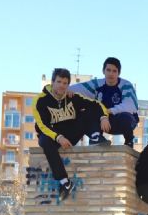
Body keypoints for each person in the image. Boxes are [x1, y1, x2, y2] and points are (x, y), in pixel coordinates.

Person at [33, 68, 110, 200]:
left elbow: (96, 104)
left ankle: (95, 136)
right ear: (52, 82)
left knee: (87, 112)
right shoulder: (41, 100)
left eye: (65, 83)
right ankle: (65, 182)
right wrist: (58, 137)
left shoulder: (72, 97)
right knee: (44, 140)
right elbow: (42, 125)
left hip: (71, 133)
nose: (62, 85)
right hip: (53, 135)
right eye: (59, 82)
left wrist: (104, 117)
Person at [68, 57, 140, 146]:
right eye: (108, 70)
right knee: (85, 112)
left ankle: (129, 141)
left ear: (118, 73)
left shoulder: (126, 85)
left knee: (126, 117)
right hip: (104, 122)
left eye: (114, 71)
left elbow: (131, 106)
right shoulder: (97, 84)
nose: (111, 74)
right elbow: (76, 88)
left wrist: (106, 112)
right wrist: (68, 90)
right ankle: (96, 138)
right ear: (103, 71)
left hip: (122, 121)